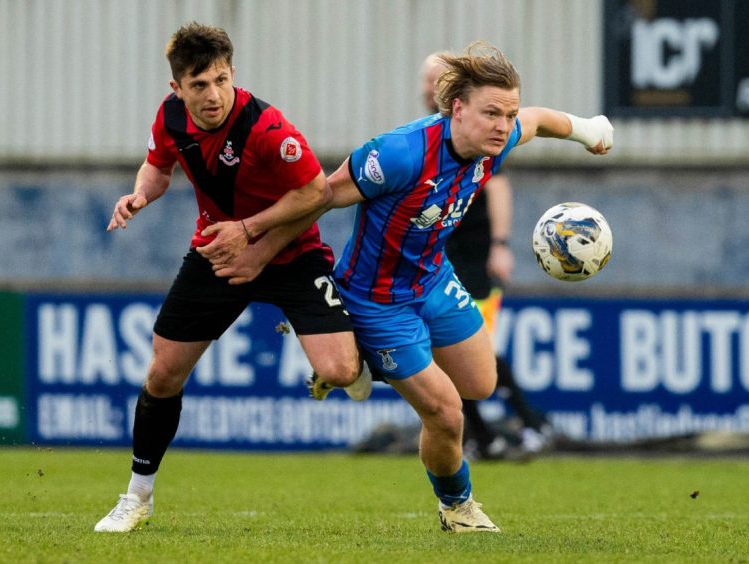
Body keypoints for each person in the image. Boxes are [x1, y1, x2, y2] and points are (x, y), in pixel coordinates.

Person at [213, 41, 613, 533]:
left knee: (480, 385)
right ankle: (458, 507)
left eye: (507, 114)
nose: (503, 125)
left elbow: (540, 118)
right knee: (446, 414)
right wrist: (256, 241)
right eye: (492, 113)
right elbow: (317, 197)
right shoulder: (399, 154)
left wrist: (589, 130)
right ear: (457, 108)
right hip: (376, 301)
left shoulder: (499, 138)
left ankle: (354, 361)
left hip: (434, 281)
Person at [94, 22, 370, 533]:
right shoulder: (170, 117)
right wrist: (138, 195)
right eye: (199, 85)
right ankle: (137, 497)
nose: (213, 94)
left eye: (221, 80)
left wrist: (250, 235)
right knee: (162, 374)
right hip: (218, 252)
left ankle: (338, 357)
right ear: (176, 88)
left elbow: (316, 195)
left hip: (290, 251)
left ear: (233, 75)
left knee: (341, 372)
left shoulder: (269, 129)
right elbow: (158, 168)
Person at [421, 53, 552, 460]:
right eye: (425, 81)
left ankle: (531, 424)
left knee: (474, 349)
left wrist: (499, 245)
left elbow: (498, 188)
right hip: (443, 261)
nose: (427, 88)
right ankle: (484, 437)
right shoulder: (429, 137)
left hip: (476, 259)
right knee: (447, 355)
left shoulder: (482, 135)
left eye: (434, 80)